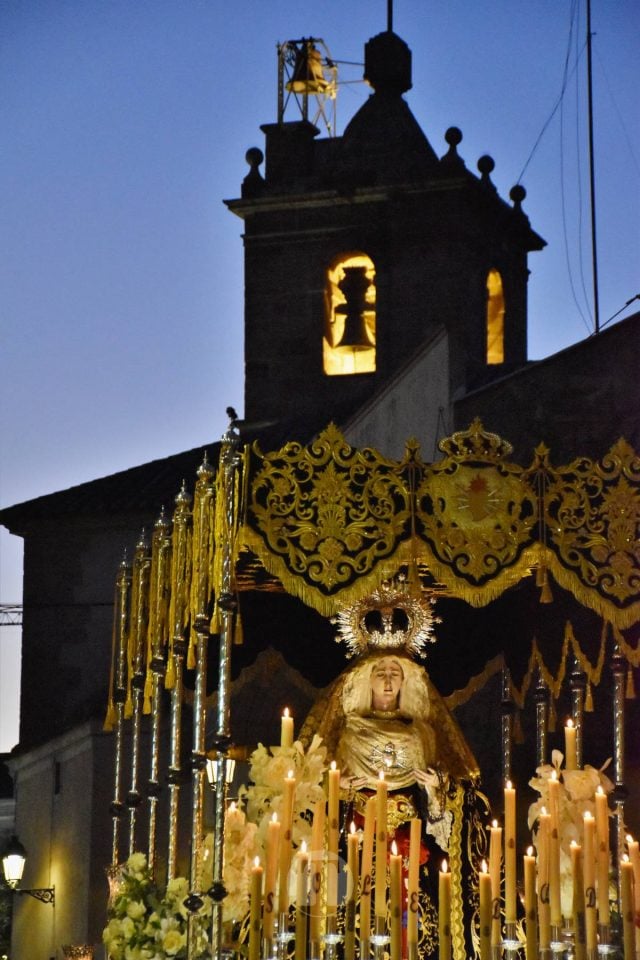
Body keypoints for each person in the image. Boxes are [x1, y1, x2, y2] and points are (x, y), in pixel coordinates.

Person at [299, 589, 487, 959]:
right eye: (380, 673)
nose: (387, 682)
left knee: (416, 933)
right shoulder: (349, 731)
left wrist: (437, 792)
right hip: (355, 847)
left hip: (409, 848)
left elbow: (443, 806)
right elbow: (314, 799)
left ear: (407, 683)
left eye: (394, 675)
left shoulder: (423, 734)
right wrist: (337, 793)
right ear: (366, 680)